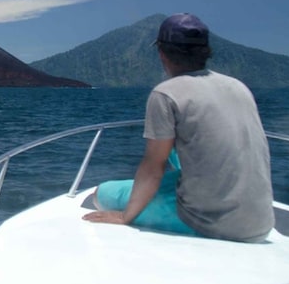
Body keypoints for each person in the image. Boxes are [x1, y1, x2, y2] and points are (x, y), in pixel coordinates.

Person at [82, 13, 275, 242]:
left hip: (211, 224)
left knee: (101, 194)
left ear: (162, 54)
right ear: (206, 52)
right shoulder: (239, 87)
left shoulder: (166, 93)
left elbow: (154, 167)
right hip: (261, 222)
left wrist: (127, 217)